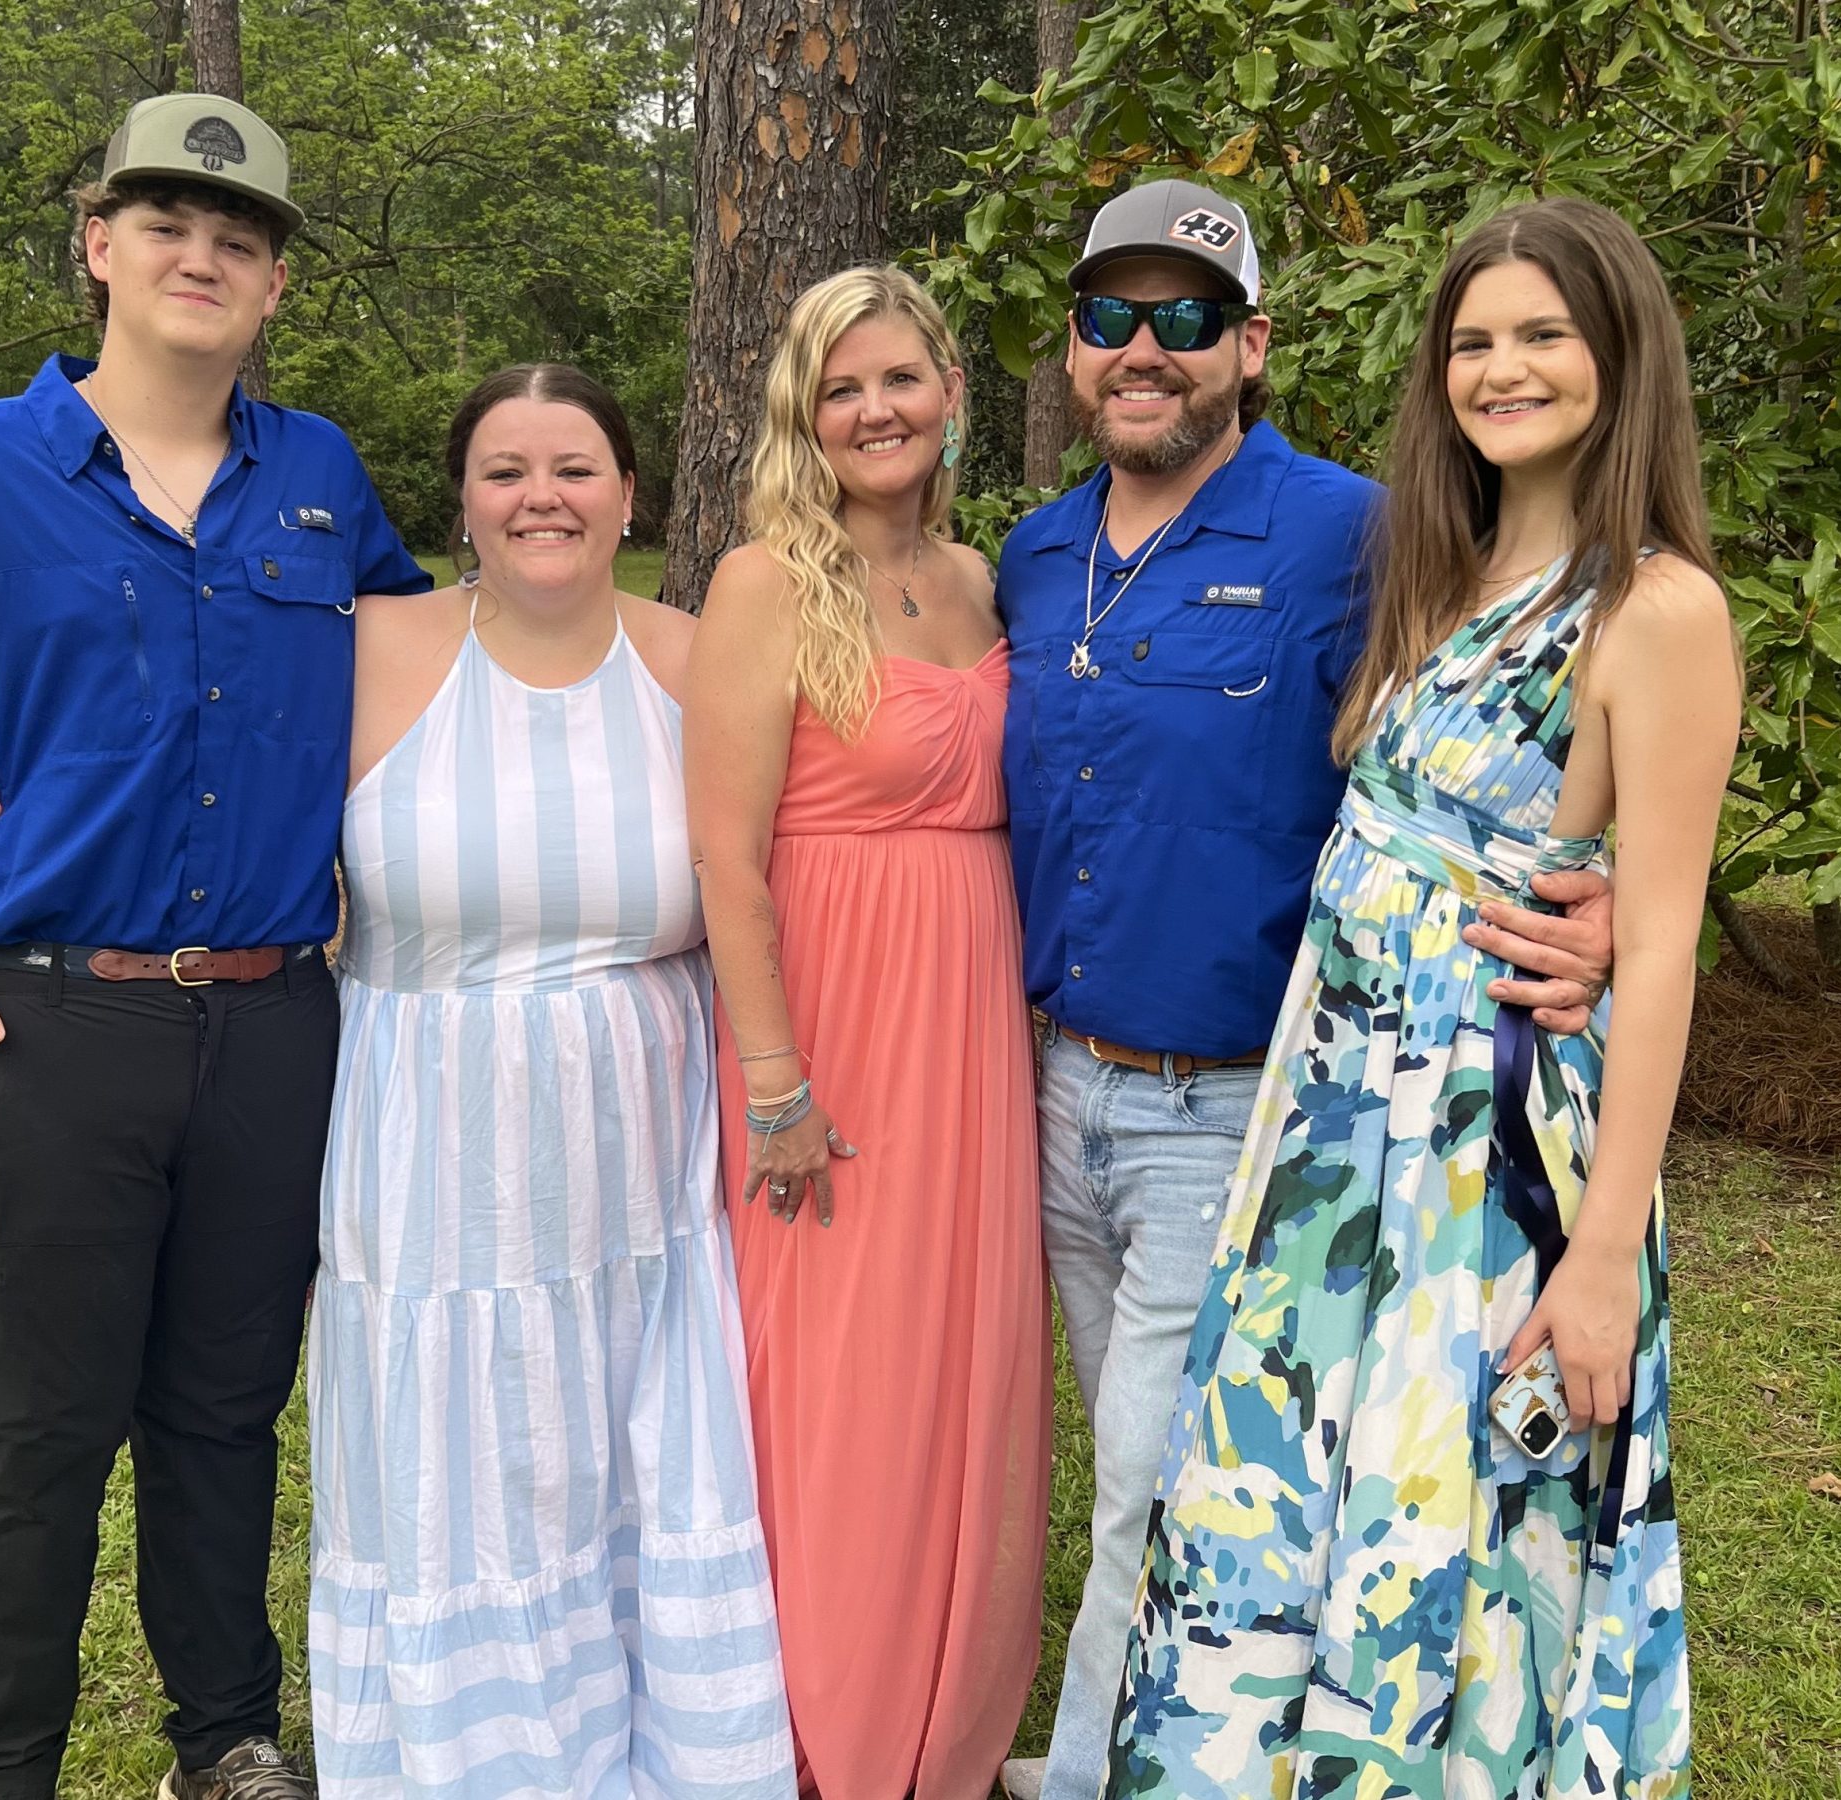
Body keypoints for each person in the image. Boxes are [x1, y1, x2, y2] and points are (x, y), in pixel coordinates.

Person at [0, 96, 430, 1800]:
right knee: (38, 1441)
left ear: (274, 285)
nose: (202, 254)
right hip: (50, 1026)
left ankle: (224, 1737)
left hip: (276, 1027)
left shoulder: (322, 480)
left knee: (221, 1416)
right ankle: (10, 1774)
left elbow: (432, 684)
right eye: (167, 221)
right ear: (99, 244)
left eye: (242, 236)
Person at [992, 181, 1618, 1800]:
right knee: (1143, 1468)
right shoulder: (1034, 553)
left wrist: (1597, 886)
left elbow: (1533, 689)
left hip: (1247, 1104)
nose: (1147, 348)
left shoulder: (1356, 528)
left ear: (1249, 345)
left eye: (1187, 318)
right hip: (1052, 1089)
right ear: (1074, 349)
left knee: (1152, 1470)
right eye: (1112, 317)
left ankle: (1087, 1775)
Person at [1105, 195, 1730, 1799]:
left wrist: (1599, 1267)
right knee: (1280, 1498)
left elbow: (1655, 946)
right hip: (1326, 1146)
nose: (1502, 368)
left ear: (1621, 359)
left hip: (1484, 1158)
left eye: (1542, 336)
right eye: (1474, 341)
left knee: (1448, 1518)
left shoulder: (1653, 609)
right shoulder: (1431, 566)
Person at [304, 365, 794, 1797]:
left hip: (641, 1161)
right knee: (465, 1469)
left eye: (575, 467)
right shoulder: (367, 648)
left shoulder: (699, 659)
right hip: (431, 1155)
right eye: (506, 469)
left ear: (631, 493)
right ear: (460, 499)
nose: (542, 498)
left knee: (629, 1462)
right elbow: (183, 754)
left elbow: (826, 842)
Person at [685, 265, 1053, 1799]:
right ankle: (822, 1739)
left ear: (951, 393)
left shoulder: (992, 582)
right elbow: (726, 858)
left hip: (975, 1028)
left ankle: (946, 1736)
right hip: (826, 1028)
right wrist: (775, 1081)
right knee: (835, 1388)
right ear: (805, 415)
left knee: (968, 1382)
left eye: (901, 379)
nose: (876, 410)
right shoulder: (768, 581)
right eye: (843, 389)